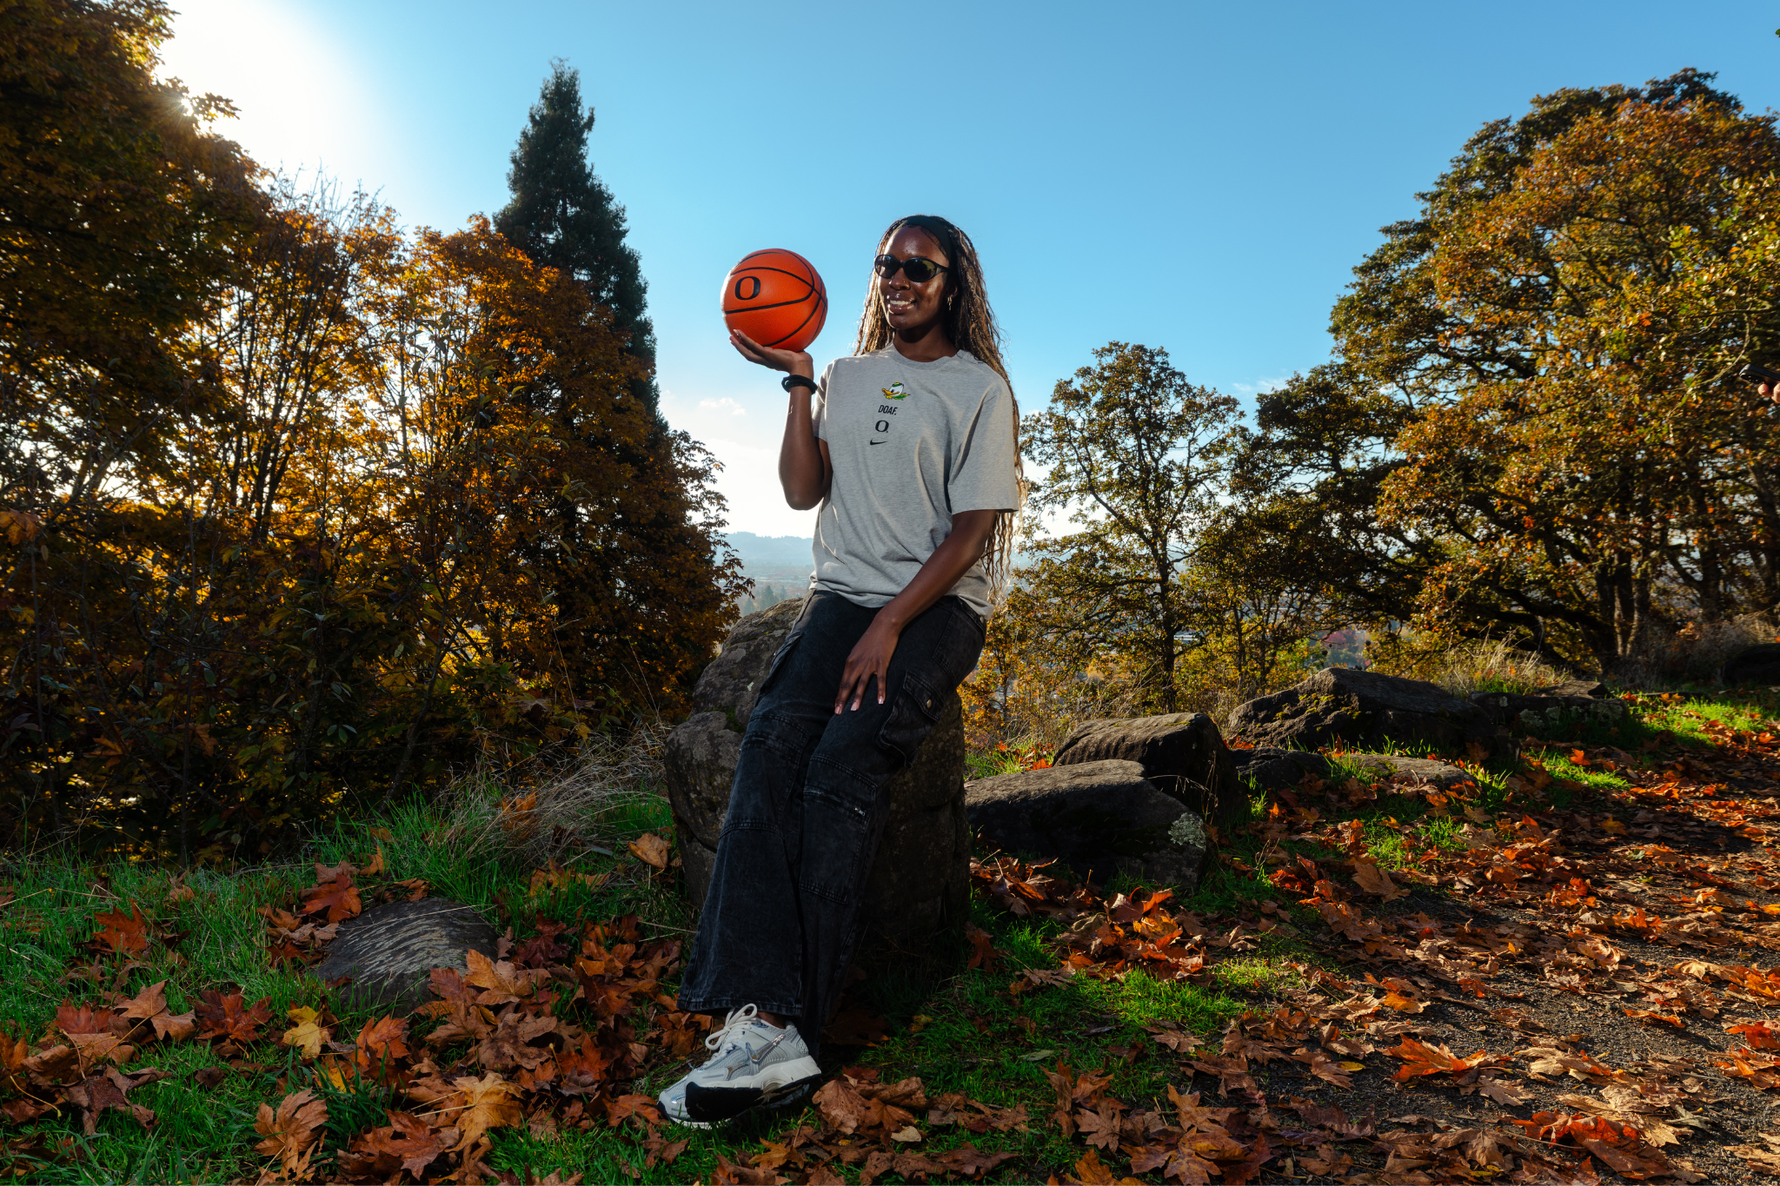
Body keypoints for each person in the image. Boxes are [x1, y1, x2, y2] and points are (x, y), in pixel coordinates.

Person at [658, 215, 1023, 1127]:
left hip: (936, 611)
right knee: (771, 753)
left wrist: (891, 626)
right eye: (885, 266)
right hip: (841, 597)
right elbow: (799, 491)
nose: (897, 279)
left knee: (839, 773)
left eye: (918, 268)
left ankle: (794, 1030)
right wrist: (797, 384)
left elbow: (972, 529)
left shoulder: (980, 391)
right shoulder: (849, 376)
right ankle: (754, 1018)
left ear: (952, 285)